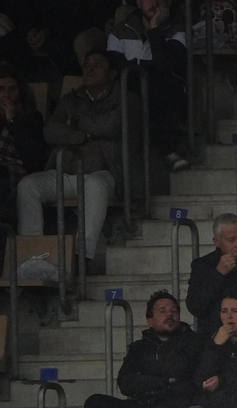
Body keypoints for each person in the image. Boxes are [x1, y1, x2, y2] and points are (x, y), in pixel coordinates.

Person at [18, 50, 121, 265]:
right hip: (66, 171)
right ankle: (32, 257)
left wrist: (73, 125)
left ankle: (83, 256)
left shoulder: (124, 98)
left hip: (104, 171)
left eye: (97, 65)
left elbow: (112, 126)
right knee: (27, 185)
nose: (89, 69)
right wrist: (85, 134)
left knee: (95, 185)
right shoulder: (71, 99)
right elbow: (50, 132)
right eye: (86, 65)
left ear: (112, 74)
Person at [106, 0, 187, 170]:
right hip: (129, 93)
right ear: (138, 2)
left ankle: (168, 152)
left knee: (167, 84)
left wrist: (154, 28)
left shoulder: (178, 30)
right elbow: (115, 71)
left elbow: (167, 65)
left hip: (162, 96)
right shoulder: (120, 31)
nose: (155, 2)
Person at [0, 64, 48, 230]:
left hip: (17, 171)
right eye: (1, 89)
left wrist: (12, 120)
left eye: (12, 89)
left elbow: (33, 153)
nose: (6, 94)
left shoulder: (31, 116)